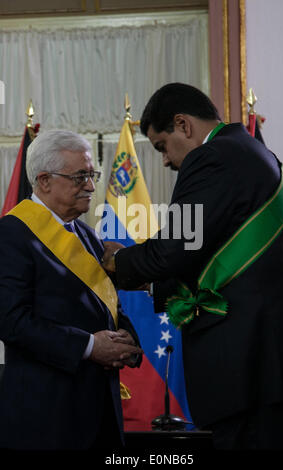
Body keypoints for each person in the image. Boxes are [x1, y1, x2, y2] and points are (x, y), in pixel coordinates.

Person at [102, 83, 283, 450]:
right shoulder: (255, 154)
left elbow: (177, 246)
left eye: (161, 146)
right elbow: (214, 256)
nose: (164, 160)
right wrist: (152, 283)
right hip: (272, 361)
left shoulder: (213, 158)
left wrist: (118, 261)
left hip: (248, 362)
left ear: (183, 124)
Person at [0, 129, 142, 451]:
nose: (91, 186)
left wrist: (127, 339)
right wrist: (90, 346)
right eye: (80, 177)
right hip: (46, 416)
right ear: (45, 180)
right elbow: (11, 321)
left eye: (92, 175)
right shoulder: (11, 235)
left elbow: (106, 304)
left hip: (101, 407)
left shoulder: (88, 235)